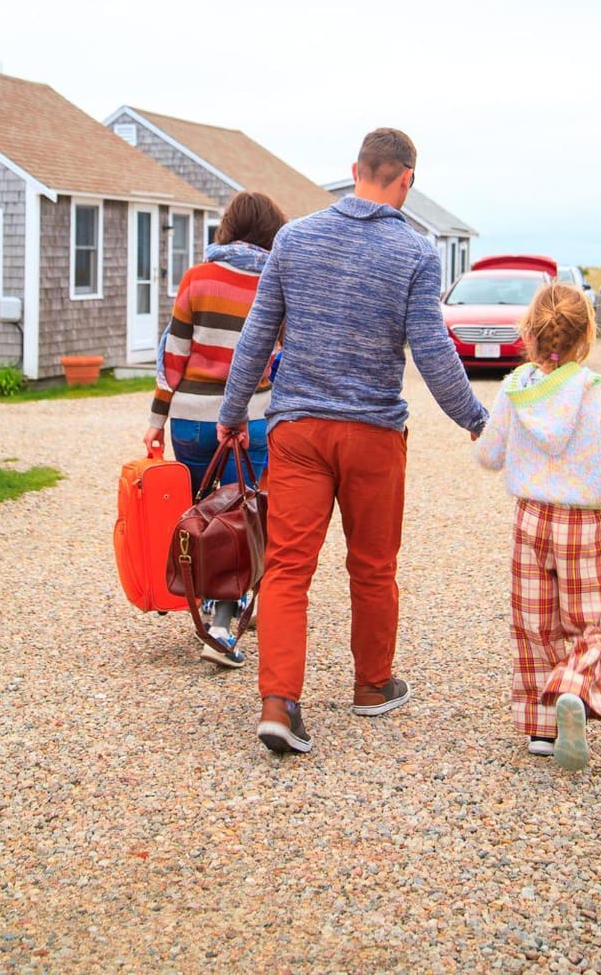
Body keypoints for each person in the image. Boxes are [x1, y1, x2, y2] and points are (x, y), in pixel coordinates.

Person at [216, 128, 490, 755]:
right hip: (373, 434)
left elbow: (256, 335)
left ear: (356, 169)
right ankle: (371, 686)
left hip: (298, 431)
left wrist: (232, 412)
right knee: (372, 566)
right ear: (406, 179)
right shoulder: (415, 253)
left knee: (287, 567)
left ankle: (279, 703)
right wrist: (477, 418)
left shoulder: (294, 238)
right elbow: (433, 353)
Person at [475, 281, 601, 771]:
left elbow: (488, 456)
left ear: (530, 333)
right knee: (589, 625)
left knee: (533, 623)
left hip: (530, 519)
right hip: (582, 523)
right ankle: (573, 687)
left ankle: (541, 727)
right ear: (586, 335)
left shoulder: (515, 389)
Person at [143, 190, 286, 668]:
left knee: (200, 512)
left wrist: (156, 420)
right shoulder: (274, 281)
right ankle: (221, 626)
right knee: (238, 518)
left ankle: (211, 599)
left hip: (191, 419)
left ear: (228, 227)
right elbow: (282, 356)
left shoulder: (196, 278)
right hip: (250, 419)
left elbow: (174, 358)